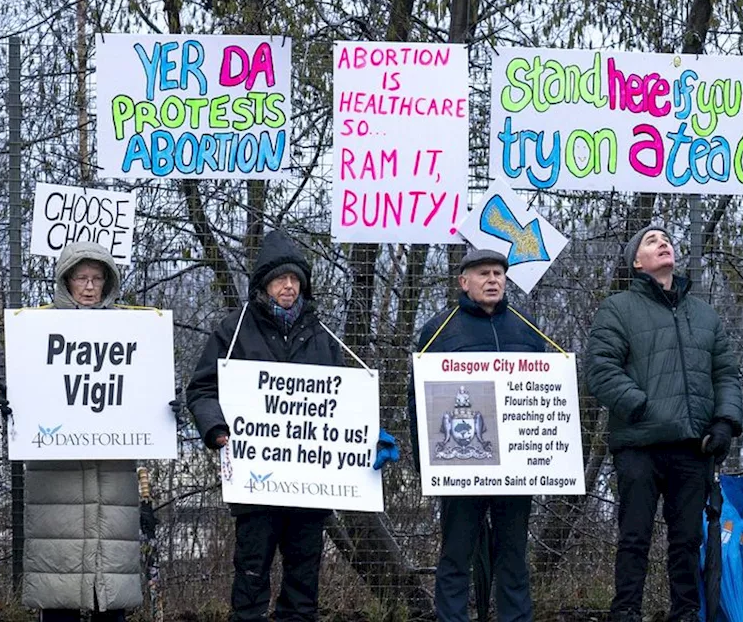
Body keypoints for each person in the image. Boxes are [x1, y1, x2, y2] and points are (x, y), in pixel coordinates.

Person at [187, 229, 395, 622]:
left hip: (310, 488)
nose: (288, 286)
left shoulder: (323, 337)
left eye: (295, 279)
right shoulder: (234, 331)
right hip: (254, 485)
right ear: (264, 284)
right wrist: (216, 429)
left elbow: (344, 402)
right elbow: (200, 389)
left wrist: (371, 437)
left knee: (303, 588)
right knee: (249, 582)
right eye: (280, 278)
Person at [586, 225, 743, 622]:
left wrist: (725, 422)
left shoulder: (704, 313)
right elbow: (600, 370)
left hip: (693, 446)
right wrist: (641, 407)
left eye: (666, 239)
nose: (664, 243)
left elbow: (725, 372)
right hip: (639, 444)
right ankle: (625, 613)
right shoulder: (618, 308)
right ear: (636, 262)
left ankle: (686, 614)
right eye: (651, 241)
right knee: (634, 537)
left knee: (688, 540)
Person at [20, 242, 173, 622]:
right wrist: (14, 402)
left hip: (113, 484)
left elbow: (140, 391)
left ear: (108, 283)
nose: (89, 287)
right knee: (59, 596)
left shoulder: (132, 330)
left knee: (111, 596)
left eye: (97, 279)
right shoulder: (36, 330)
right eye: (81, 278)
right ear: (65, 281)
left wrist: (164, 407)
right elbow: (26, 389)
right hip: (56, 485)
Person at [410, 249, 550, 622]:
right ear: (463, 282)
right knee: (456, 556)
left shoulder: (527, 327)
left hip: (516, 470)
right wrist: (426, 464)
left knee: (513, 557)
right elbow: (417, 400)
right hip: (459, 467)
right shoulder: (439, 330)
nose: (493, 280)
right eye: (484, 273)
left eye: (499, 273)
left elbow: (549, 392)